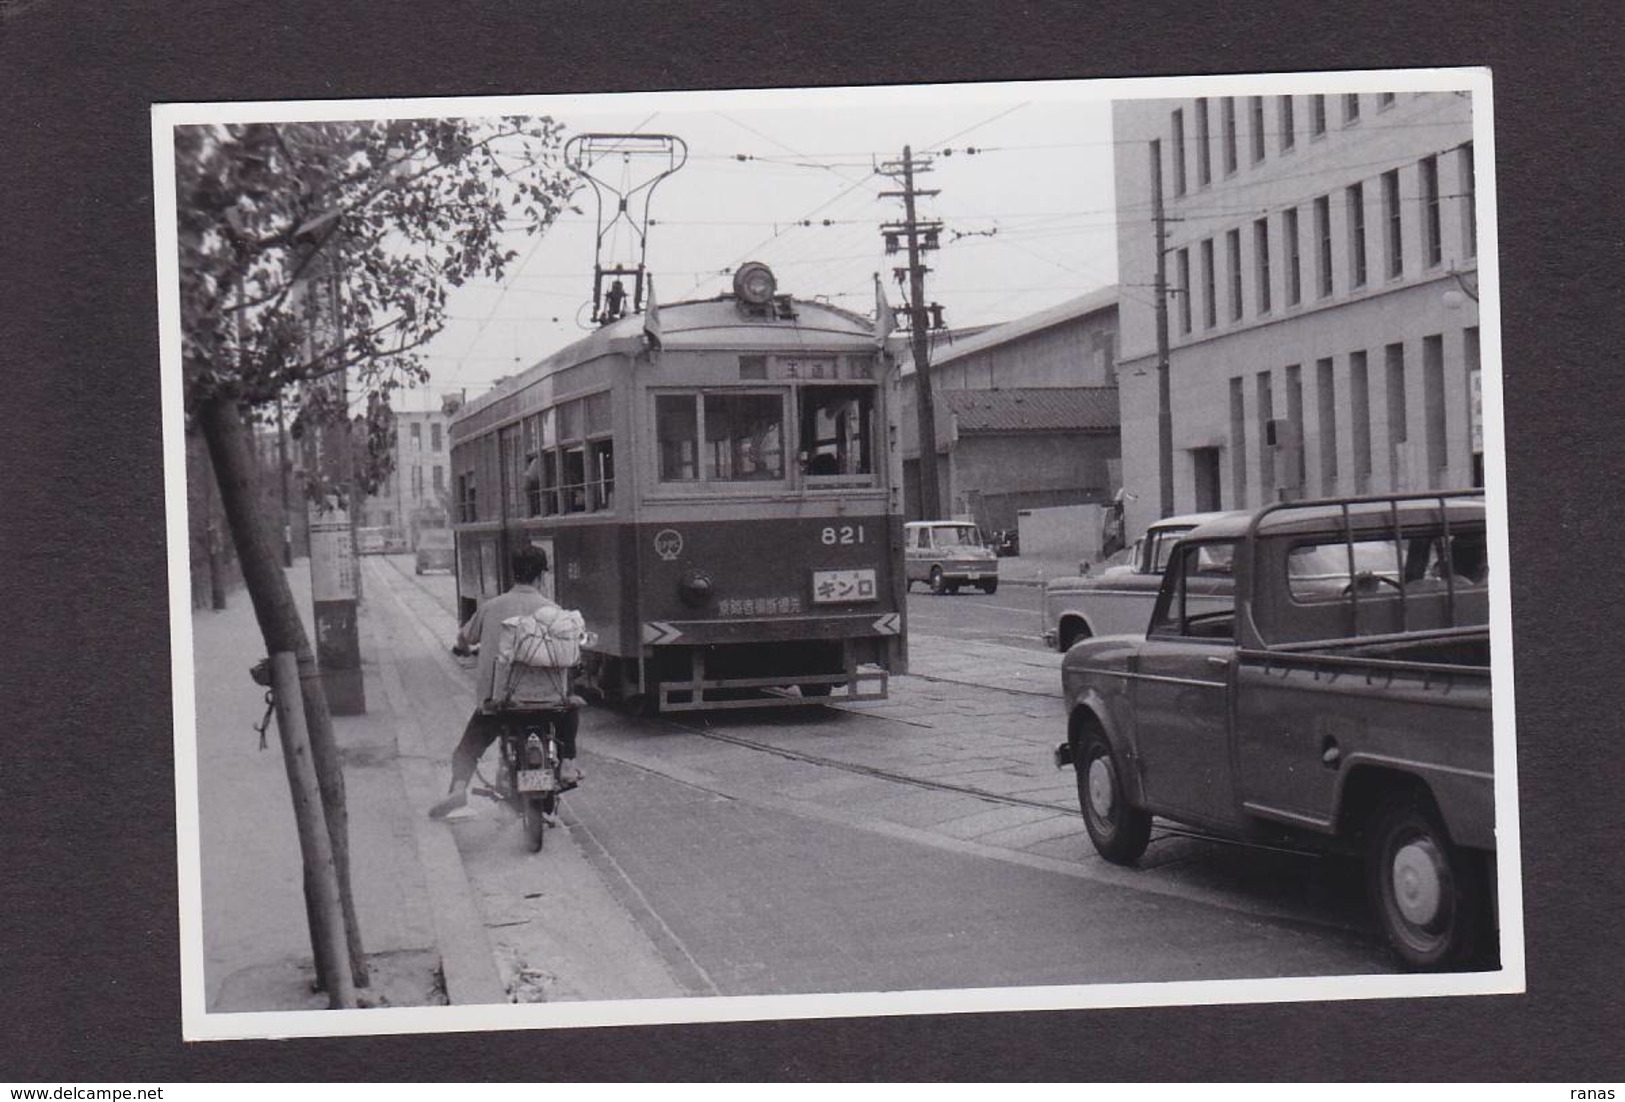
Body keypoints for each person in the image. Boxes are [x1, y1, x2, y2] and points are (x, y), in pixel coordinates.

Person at [429, 544, 583, 819]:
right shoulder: (554, 610)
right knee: (570, 711)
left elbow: (465, 638)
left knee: (468, 747)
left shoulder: (491, 607)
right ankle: (568, 764)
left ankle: (458, 787)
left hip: (500, 703)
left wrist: (464, 647)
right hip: (549, 704)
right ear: (542, 576)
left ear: (513, 574)